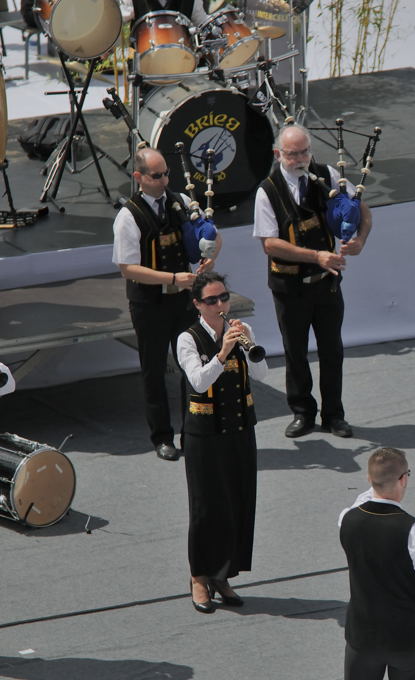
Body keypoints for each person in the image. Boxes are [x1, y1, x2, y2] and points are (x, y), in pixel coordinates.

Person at [253, 124, 372, 438]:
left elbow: (361, 210)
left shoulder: (327, 175)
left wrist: (360, 239)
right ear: (280, 154)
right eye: (293, 154)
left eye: (305, 151)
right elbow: (270, 244)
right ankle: (303, 412)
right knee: (295, 352)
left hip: (326, 283)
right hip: (288, 285)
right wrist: (316, 256)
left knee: (332, 350)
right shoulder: (267, 190)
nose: (300, 159)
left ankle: (334, 415)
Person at [113, 146, 221, 461]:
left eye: (166, 174)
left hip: (183, 303)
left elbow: (213, 237)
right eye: (156, 176)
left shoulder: (181, 202)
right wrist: (172, 278)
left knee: (194, 365)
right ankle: (162, 436)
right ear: (139, 177)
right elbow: (127, 269)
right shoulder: (128, 216)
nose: (164, 180)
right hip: (149, 304)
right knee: (154, 371)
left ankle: (193, 430)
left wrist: (209, 256)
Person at [175, 271, 267, 614]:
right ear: (198, 304)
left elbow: (261, 375)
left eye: (224, 298)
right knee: (206, 508)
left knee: (238, 501)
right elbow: (198, 382)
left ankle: (223, 575)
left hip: (240, 428)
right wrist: (224, 351)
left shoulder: (241, 331)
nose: (220, 305)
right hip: (204, 435)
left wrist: (246, 346)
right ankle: (199, 576)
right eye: (212, 300)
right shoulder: (188, 339)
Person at [339, 447, 415, 680]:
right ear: (404, 479)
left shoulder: (347, 518)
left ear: (369, 479)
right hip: (406, 638)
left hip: (362, 637)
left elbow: (363, 499)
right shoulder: (414, 530)